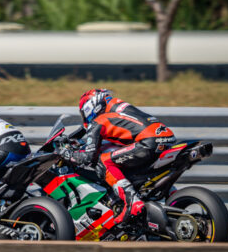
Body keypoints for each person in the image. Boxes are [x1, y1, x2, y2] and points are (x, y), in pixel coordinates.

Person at [60, 88, 176, 224]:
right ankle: (174, 196)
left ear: (90, 107)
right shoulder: (119, 108)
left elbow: (89, 157)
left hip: (148, 142)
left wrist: (68, 154)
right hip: (166, 139)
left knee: (104, 161)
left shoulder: (99, 120)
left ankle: (132, 201)